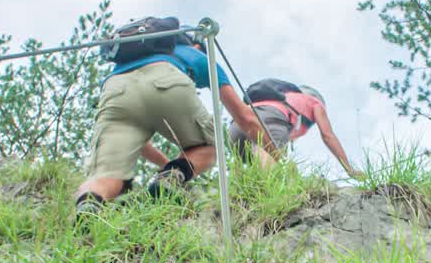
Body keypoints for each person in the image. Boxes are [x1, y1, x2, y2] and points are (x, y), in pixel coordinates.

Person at [75, 28, 274, 213]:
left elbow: (140, 144)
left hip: (114, 90)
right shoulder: (195, 54)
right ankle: (171, 178)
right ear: (196, 46)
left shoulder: (126, 62)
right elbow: (244, 117)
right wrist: (273, 152)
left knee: (108, 174)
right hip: (166, 79)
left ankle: (88, 206)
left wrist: (170, 166)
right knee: (210, 148)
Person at [229, 82, 364, 179]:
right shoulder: (314, 102)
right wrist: (349, 170)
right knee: (272, 175)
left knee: (254, 171)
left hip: (237, 125)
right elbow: (328, 135)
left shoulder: (284, 96)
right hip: (271, 119)